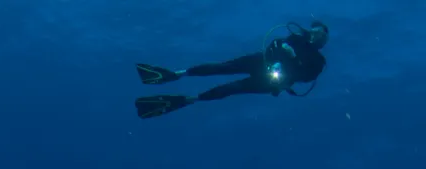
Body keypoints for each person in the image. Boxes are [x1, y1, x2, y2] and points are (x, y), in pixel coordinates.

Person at [135, 21, 328, 119]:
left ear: (323, 41)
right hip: (261, 61)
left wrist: (293, 59)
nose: (315, 33)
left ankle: (187, 99)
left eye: (320, 33)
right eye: (315, 30)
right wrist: (280, 50)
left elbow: (307, 76)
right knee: (223, 67)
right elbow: (275, 43)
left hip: (272, 81)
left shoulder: (319, 61)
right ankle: (176, 74)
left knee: (232, 88)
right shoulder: (295, 38)